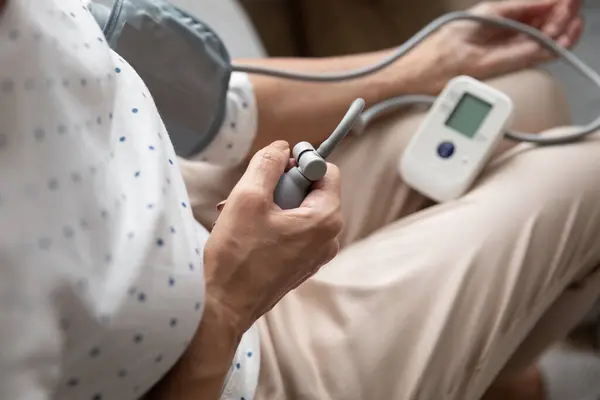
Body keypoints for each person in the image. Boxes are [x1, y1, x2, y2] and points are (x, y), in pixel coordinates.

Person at [0, 1, 594, 400]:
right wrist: (231, 302)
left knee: (524, 97)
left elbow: (213, 107)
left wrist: (426, 65)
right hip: (229, 365)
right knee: (589, 171)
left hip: (196, 212)